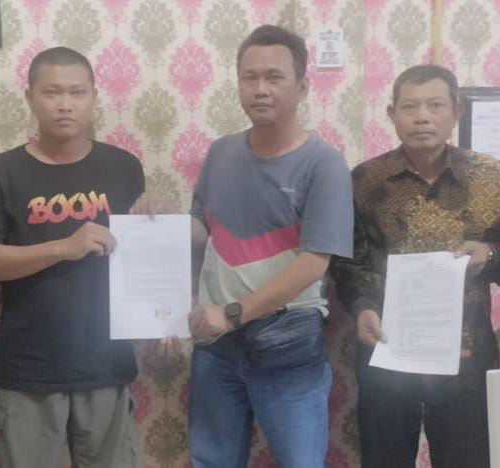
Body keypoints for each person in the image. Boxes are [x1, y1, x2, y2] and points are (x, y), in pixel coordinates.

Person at [0, 46, 144, 468]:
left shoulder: (123, 167)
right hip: (29, 367)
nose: (65, 104)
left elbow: (140, 257)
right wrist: (63, 247)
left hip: (107, 363)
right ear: (30, 97)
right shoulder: (2, 172)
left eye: (77, 92)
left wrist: (162, 315)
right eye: (52, 92)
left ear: (94, 97)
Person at [187, 24, 354, 467]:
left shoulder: (324, 164)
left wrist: (232, 313)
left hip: (288, 339)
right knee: (212, 461)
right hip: (216, 344)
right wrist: (157, 222)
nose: (260, 89)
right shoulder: (220, 152)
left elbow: (313, 263)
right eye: (250, 77)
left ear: (302, 87)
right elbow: (203, 229)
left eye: (274, 77)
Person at [331, 64, 500, 468]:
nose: (422, 117)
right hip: (388, 348)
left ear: (456, 111)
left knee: (467, 460)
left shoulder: (491, 179)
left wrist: (489, 254)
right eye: (410, 106)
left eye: (435, 105)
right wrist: (362, 307)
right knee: (385, 459)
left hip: (465, 354)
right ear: (392, 114)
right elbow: (348, 261)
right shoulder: (364, 181)